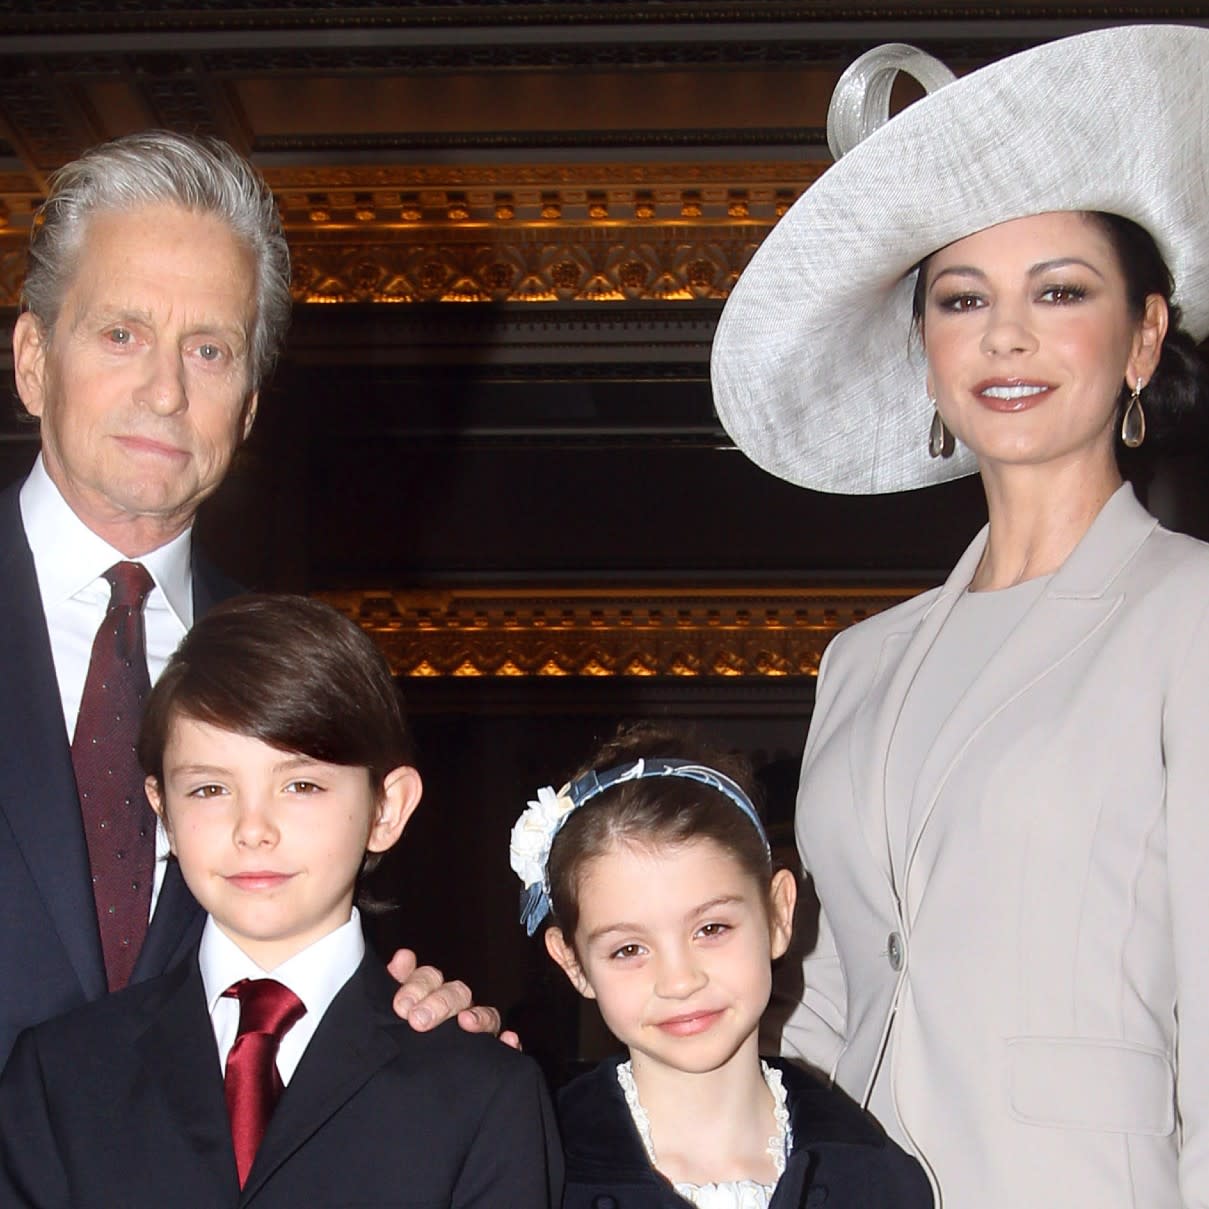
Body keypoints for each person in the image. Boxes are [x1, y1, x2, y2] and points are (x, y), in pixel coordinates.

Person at [710, 23, 1209, 1209]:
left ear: (1143, 337)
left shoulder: (1191, 613)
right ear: (926, 352)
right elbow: (825, 990)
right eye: (962, 298)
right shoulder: (861, 662)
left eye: (1061, 291)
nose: (1007, 335)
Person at [0, 130, 484, 1066]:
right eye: (121, 333)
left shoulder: (304, 683)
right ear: (31, 359)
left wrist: (402, 1024)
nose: (165, 390)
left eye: (210, 350)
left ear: (251, 407)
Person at [0, 595, 562, 1208]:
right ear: (162, 809)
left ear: (387, 808)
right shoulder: (62, 1074)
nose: (253, 828)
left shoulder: (482, 1094)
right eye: (210, 788)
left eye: (301, 785)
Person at [511, 721, 932, 1208]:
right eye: (629, 949)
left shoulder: (876, 1175)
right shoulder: (538, 1171)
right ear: (574, 963)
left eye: (711, 929)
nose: (680, 981)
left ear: (778, 914)